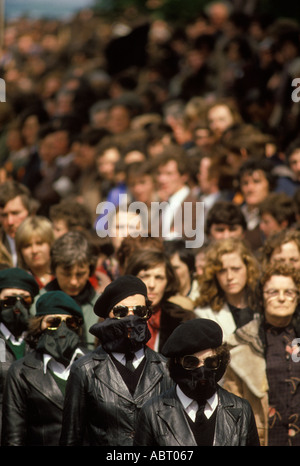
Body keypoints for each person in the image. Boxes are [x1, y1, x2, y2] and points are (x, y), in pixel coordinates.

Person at [59, 275, 173, 446]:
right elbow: (71, 437)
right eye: (121, 312)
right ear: (107, 317)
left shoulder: (166, 368)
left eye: (140, 311)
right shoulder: (84, 370)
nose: (131, 318)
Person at [134, 318, 260, 446]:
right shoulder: (152, 412)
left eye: (211, 362)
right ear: (177, 363)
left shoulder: (242, 409)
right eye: (191, 362)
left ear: (220, 361)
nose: (202, 370)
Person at [223, 263, 300, 446]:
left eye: (289, 292)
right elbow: (231, 406)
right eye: (273, 292)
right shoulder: (241, 344)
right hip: (263, 438)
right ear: (261, 298)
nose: (281, 298)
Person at [2, 290, 86, 446]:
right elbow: (13, 437)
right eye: (53, 323)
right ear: (39, 325)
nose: (62, 329)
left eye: (70, 322)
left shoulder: (94, 365)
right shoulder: (20, 371)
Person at [37, 231, 99, 350]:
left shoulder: (100, 308)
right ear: (55, 270)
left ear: (90, 270)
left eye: (80, 274)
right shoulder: (37, 304)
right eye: (66, 274)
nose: (73, 282)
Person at [124, 248, 196, 352]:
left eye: (159, 278)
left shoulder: (182, 320)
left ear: (168, 282)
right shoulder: (116, 317)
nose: (152, 285)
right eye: (145, 276)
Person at [0, 267, 39, 439]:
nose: (17, 307)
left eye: (25, 300)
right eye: (9, 300)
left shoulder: (40, 340)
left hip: (36, 432)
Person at [194, 238, 260, 340]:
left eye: (236, 269)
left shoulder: (262, 305)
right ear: (214, 275)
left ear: (248, 268)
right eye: (222, 271)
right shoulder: (204, 314)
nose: (229, 277)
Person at [0, 180, 39, 266]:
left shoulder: (44, 244)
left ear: (31, 212)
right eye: (4, 215)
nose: (10, 222)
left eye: (15, 213)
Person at [15, 215, 55, 288]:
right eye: (27, 246)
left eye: (39, 243)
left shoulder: (64, 277)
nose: (34, 250)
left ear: (51, 244)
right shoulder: (17, 283)